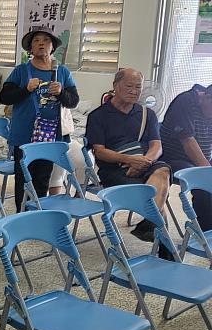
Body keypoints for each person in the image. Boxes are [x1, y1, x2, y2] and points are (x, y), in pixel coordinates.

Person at [86, 68, 172, 246]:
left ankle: (150, 224)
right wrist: (129, 160)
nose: (134, 91)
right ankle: (165, 247)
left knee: (163, 171)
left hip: (145, 161)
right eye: (129, 86)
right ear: (115, 86)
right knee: (154, 192)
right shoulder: (98, 116)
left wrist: (144, 161)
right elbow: (99, 151)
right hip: (114, 169)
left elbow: (157, 146)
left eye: (138, 87)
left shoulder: (148, 114)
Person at [0, 26, 79, 211]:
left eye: (46, 40)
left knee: (44, 176)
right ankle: (21, 213)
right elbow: (5, 97)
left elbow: (73, 101)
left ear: (52, 47)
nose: (41, 43)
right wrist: (25, 89)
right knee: (23, 175)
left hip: (51, 134)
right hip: (24, 134)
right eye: (36, 41)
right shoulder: (21, 71)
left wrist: (60, 92)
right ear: (30, 49)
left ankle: (37, 213)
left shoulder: (63, 72)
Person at [160, 84, 212, 230]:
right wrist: (208, 172)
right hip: (173, 159)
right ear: (206, 98)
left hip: (201, 158)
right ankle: (206, 234)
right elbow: (188, 141)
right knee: (203, 182)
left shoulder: (208, 104)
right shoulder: (185, 102)